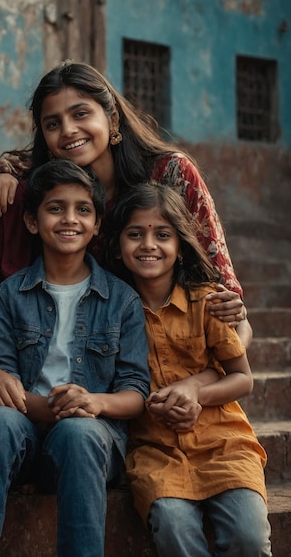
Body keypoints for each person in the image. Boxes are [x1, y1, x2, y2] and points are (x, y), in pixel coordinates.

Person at [0, 60, 251, 407]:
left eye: (80, 114)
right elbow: (23, 164)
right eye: (53, 124)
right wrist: (2, 171)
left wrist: (194, 385)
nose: (68, 130)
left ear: (112, 120)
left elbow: (231, 317)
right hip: (103, 383)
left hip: (182, 377)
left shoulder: (170, 175)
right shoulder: (52, 195)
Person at [0, 160, 150, 557]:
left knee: (78, 432)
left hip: (90, 440)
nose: (70, 219)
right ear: (32, 221)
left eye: (83, 210)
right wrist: (49, 409)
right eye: (55, 208)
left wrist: (94, 403)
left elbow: (136, 392)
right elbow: (7, 383)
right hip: (26, 432)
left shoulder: (122, 300)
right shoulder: (11, 294)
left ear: (98, 225)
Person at [107, 182, 270, 556]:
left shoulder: (206, 300)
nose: (149, 245)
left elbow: (242, 378)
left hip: (225, 444)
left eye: (162, 235)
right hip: (155, 451)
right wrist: (154, 403)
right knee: (173, 530)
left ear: (180, 247)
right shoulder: (110, 311)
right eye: (135, 234)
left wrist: (196, 392)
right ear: (117, 247)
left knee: (249, 538)